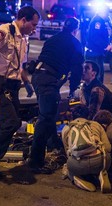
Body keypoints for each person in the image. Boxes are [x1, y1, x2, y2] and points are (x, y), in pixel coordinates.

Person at [0, 6, 40, 179]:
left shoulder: (23, 39)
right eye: (33, 24)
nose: (34, 28)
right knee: (10, 122)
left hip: (12, 85)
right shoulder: (4, 31)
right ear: (23, 20)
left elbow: (20, 66)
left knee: (10, 123)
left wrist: (27, 82)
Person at [27, 17, 84, 174]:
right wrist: (74, 89)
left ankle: (55, 146)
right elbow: (77, 69)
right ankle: (35, 161)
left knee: (50, 113)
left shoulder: (52, 40)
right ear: (75, 30)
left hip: (38, 78)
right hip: (48, 82)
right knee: (45, 119)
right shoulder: (75, 44)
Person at [61, 104, 112, 193]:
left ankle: (75, 178)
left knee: (68, 167)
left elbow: (68, 153)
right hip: (100, 162)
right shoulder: (96, 125)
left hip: (78, 165)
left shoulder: (66, 129)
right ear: (88, 115)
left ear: (72, 116)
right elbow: (108, 148)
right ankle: (102, 173)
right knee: (106, 155)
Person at [85, 10, 111, 83]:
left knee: (96, 76)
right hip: (95, 53)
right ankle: (96, 93)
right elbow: (95, 37)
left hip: (96, 53)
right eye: (107, 12)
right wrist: (106, 46)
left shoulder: (100, 21)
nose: (107, 15)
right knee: (97, 76)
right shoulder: (98, 21)